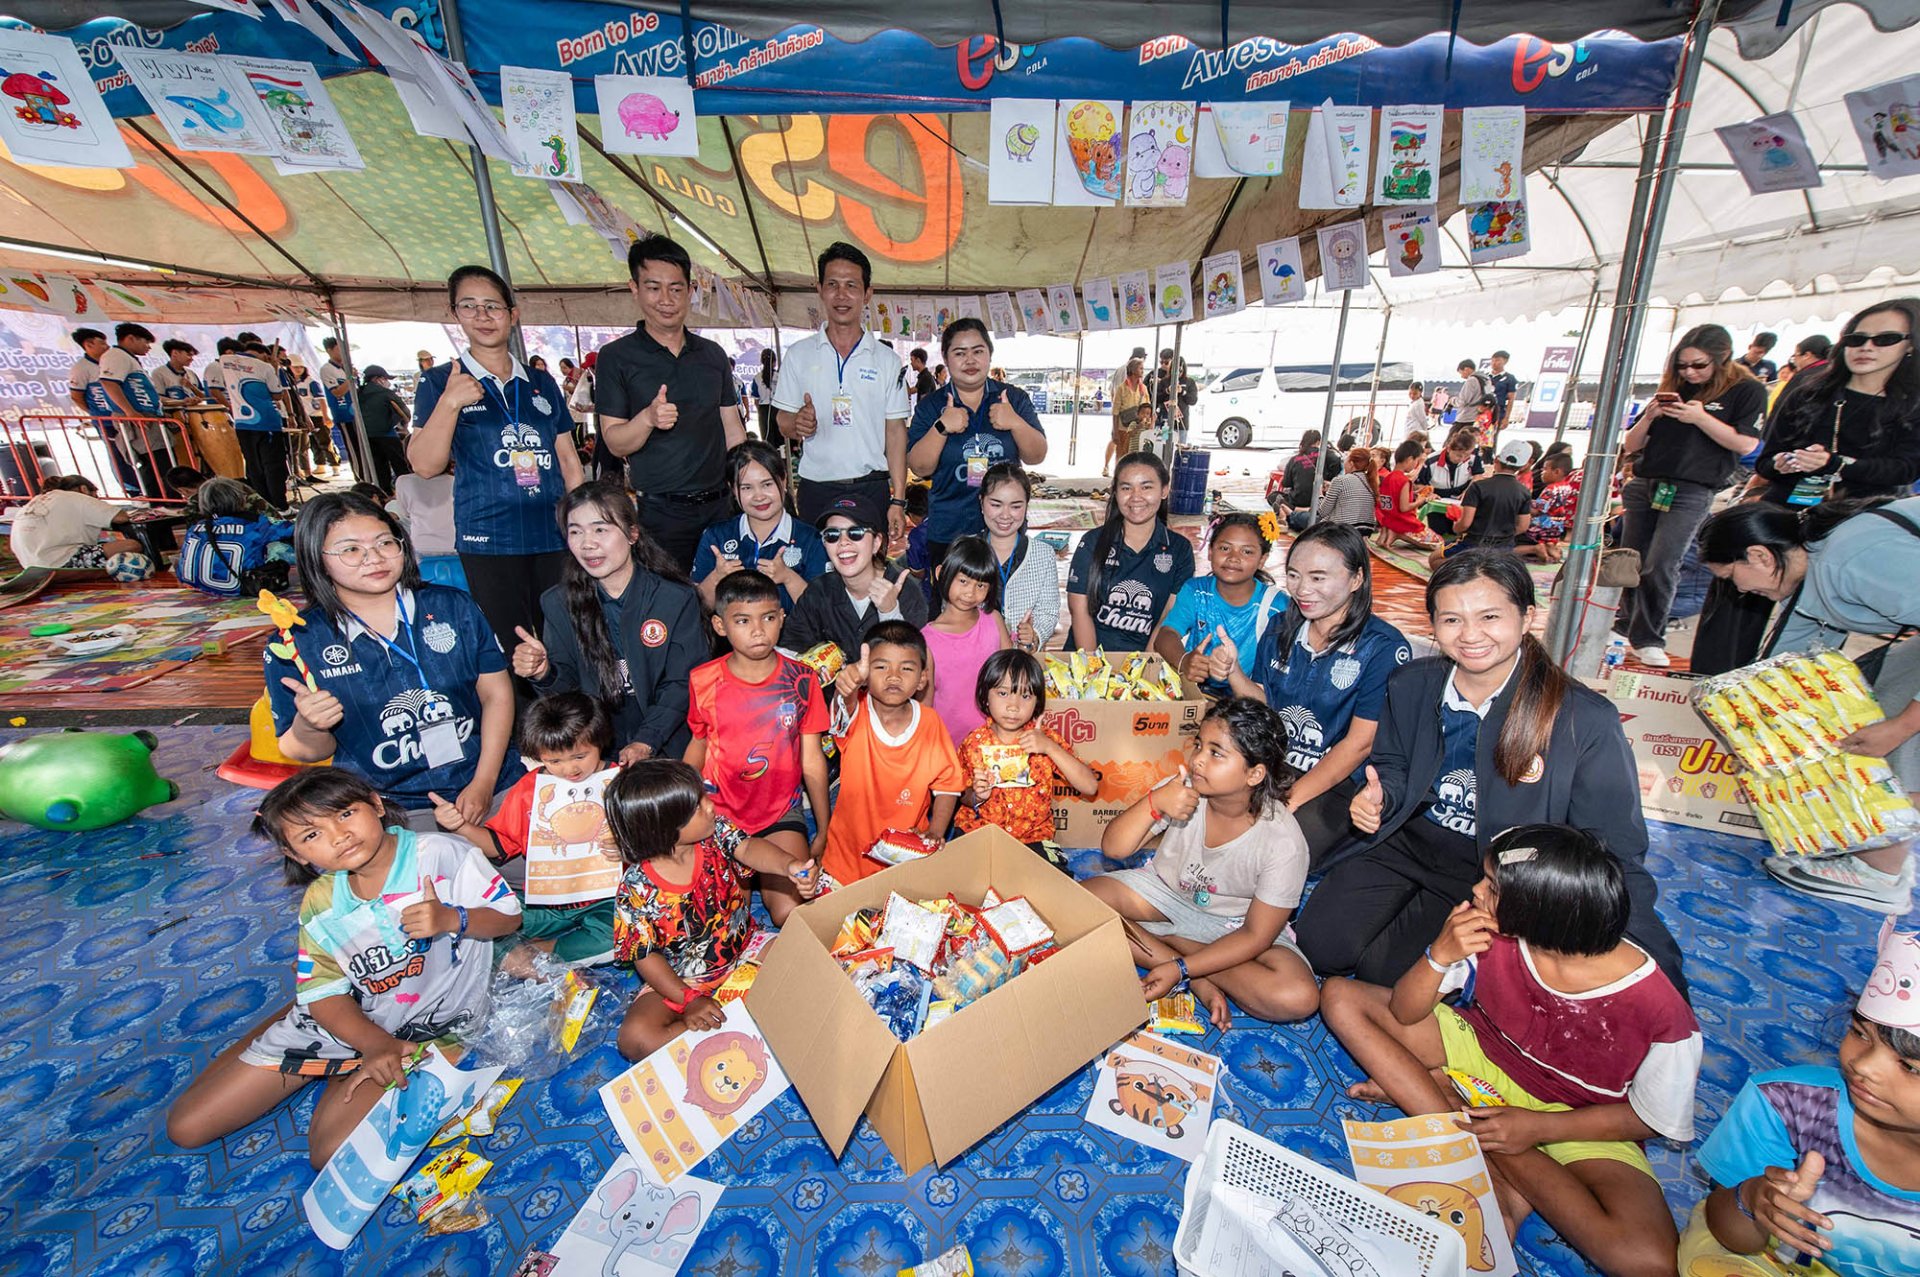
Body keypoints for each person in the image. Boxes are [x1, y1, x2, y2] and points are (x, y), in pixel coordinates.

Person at [1293, 550, 1686, 995]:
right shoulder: (1412, 683)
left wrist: (1658, 971)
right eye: (1451, 619)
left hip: (1487, 876)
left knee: (1385, 976)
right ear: (1433, 624)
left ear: (1527, 617)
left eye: (1490, 617)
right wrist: (1383, 797)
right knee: (1320, 947)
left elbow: (1614, 849)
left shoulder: (1583, 719)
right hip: (1404, 842)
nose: (1470, 635)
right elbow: (1393, 763)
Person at [1322, 823, 1701, 1277]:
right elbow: (1404, 1012)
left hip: (1577, 1115)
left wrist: (1536, 1128)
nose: (1477, 890)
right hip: (1481, 1051)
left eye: (1492, 886)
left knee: (1645, 1259)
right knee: (1341, 997)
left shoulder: (1662, 1011)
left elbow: (1649, 1119)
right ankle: (1475, 1130)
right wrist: (1439, 955)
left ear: (1541, 912)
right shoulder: (1489, 932)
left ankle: (1458, 1113)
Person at [163, 768, 522, 1166]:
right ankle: (297, 1020)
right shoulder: (321, 900)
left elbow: (509, 917)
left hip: (431, 1028)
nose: (339, 835)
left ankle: (335, 1055)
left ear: (376, 804)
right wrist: (371, 1042)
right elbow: (325, 994)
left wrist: (454, 918)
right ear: (296, 855)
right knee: (186, 1127)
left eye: (345, 814)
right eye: (311, 835)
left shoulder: (440, 853)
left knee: (329, 1154)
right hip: (351, 1020)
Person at [1697, 497, 1920, 912]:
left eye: (1731, 577)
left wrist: (1901, 726)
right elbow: (1785, 670)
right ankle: (1873, 846)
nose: (1739, 590)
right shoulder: (1811, 578)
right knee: (1872, 697)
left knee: (1896, 722)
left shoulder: (1850, 560)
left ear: (1760, 556)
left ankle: (1881, 871)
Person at [268, 491, 522, 832]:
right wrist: (310, 725)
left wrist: (484, 783)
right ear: (317, 558)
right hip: (387, 805)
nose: (374, 558)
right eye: (351, 550)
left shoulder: (453, 607)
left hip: (490, 779)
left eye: (385, 543)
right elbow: (304, 750)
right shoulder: (296, 641)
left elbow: (496, 694)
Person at [1683, 920, 1920, 1277]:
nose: (1864, 1066)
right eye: (1860, 1033)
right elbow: (1729, 1234)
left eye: (1909, 1066)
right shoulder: (1786, 1106)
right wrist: (1754, 1199)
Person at [1087, 697, 1320, 1030]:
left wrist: (1181, 966)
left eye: (1216, 753)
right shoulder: (1181, 791)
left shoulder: (1283, 841)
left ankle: (1176, 949)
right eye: (1199, 745)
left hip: (1235, 926)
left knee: (1297, 997)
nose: (1197, 759)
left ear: (1255, 774)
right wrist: (1156, 802)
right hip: (1165, 896)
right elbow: (1113, 848)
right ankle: (1195, 974)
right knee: (1080, 903)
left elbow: (1255, 936)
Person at [1205, 523, 1412, 864]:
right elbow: (1263, 705)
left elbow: (1359, 744)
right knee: (1202, 805)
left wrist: (1290, 798)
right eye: (1294, 575)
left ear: (1357, 579)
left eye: (1318, 578)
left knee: (1278, 851)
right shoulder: (1282, 627)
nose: (1302, 589)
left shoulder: (1382, 648)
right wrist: (1233, 672)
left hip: (1338, 781)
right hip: (1275, 765)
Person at [407, 267, 585, 653]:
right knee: (509, 646)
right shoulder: (441, 382)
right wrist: (451, 402)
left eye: (492, 306)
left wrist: (582, 524)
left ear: (512, 314)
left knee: (565, 640)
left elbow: (568, 459)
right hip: (488, 538)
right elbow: (424, 465)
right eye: (469, 306)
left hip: (551, 533)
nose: (483, 316)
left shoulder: (540, 382)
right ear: (454, 314)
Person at [605, 760, 819, 1059]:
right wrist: (688, 999)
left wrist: (789, 866)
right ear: (664, 829)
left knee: (810, 959)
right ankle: (737, 1016)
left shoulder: (716, 832)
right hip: (681, 978)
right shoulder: (636, 890)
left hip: (745, 948)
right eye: (697, 806)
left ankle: (724, 1023)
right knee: (635, 1039)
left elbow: (748, 848)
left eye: (703, 796)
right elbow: (645, 955)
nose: (709, 806)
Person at [511, 482, 704, 765]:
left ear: (632, 534)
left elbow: (682, 684)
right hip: (596, 749)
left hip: (666, 742)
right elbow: (567, 694)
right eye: (575, 531)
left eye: (600, 529)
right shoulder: (558, 603)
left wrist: (646, 741)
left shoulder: (674, 598)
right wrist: (544, 673)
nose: (587, 543)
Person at [1612, 324, 1768, 667]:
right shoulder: (1673, 388)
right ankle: (1625, 624)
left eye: (1698, 365)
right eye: (1682, 365)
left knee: (1662, 562)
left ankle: (1649, 636)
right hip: (1647, 482)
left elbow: (1746, 444)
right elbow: (1632, 445)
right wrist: (1649, 416)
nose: (1689, 373)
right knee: (1630, 560)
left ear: (1722, 358)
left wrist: (1700, 418)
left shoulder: (1747, 391)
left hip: (1693, 488)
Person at [686, 569, 832, 925]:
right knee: (727, 920)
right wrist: (684, 803)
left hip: (780, 811)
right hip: (721, 814)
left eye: (768, 618)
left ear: (782, 617)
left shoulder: (802, 679)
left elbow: (812, 759)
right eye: (742, 620)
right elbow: (698, 744)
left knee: (790, 913)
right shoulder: (703, 680)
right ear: (720, 625)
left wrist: (824, 827)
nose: (757, 630)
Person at [430, 692, 620, 963]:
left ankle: (543, 951)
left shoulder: (622, 782)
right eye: (554, 761)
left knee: (623, 932)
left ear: (599, 741)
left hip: (607, 899)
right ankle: (540, 953)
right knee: (480, 925)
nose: (569, 769)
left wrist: (627, 849)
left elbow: (655, 846)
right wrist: (460, 826)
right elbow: (498, 845)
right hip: (542, 902)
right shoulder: (530, 789)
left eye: (580, 756)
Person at [594, 237, 747, 571]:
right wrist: (647, 418)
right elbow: (615, 441)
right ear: (634, 289)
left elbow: (732, 429)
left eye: (676, 289)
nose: (666, 299)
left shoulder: (712, 355)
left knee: (726, 593)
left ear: (690, 291)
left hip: (720, 509)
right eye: (653, 288)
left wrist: (747, 484)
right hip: (661, 514)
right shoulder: (616, 357)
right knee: (669, 596)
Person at [772, 243, 911, 532]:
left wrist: (898, 500)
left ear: (867, 294)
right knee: (816, 561)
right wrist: (797, 423)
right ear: (820, 290)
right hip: (816, 489)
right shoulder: (798, 355)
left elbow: (896, 432)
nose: (841, 295)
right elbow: (782, 420)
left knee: (871, 562)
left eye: (851, 285)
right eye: (833, 284)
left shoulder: (887, 360)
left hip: (871, 488)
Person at [822, 620, 965, 885]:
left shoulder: (930, 722)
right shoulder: (855, 713)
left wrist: (935, 831)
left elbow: (947, 786)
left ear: (922, 679)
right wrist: (847, 688)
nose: (893, 676)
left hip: (906, 859)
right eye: (881, 667)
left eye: (906, 668)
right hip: (846, 860)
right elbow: (844, 704)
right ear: (865, 674)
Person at [906, 319, 1047, 565]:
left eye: (978, 351)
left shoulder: (1013, 398)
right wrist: (941, 427)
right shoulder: (931, 406)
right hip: (949, 530)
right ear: (946, 358)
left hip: (1004, 528)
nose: (970, 361)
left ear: (989, 354)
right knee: (950, 591)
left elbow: (1036, 456)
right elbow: (919, 467)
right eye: (960, 353)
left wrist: (1016, 422)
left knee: (1005, 590)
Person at [1754, 300, 1920, 509]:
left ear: (1910, 345)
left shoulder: (1911, 406)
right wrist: (1781, 464)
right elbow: (1765, 462)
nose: (1866, 347)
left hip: (1863, 514)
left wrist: (1837, 464)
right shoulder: (1808, 394)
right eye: (1856, 339)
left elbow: (1905, 470)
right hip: (1786, 511)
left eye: (1886, 339)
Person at [954, 649, 1099, 861]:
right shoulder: (973, 742)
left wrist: (1050, 748)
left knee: (1055, 877)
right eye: (1003, 693)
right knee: (959, 873)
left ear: (1037, 702)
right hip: (979, 832)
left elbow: (1090, 786)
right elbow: (961, 795)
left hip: (1034, 838)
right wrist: (977, 797)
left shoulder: (1045, 739)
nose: (1014, 706)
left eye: (1025, 696)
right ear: (985, 697)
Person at [782, 490, 929, 664]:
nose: (843, 542)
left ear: (876, 542)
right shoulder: (819, 591)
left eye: (856, 533)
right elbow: (790, 650)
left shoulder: (905, 591)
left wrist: (890, 614)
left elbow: (914, 666)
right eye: (832, 535)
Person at [1069, 452, 1195, 652]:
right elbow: (1079, 611)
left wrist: (1145, 666)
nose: (1136, 497)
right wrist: (1093, 666)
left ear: (1164, 490)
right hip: (1088, 657)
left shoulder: (1180, 550)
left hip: (1145, 658)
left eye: (1146, 487)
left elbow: (1168, 617)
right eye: (1126, 488)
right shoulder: (1092, 542)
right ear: (1116, 492)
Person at [1153, 512, 1287, 689]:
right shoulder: (1196, 592)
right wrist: (1184, 661)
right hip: (1199, 691)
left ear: (1262, 559)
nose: (1233, 558)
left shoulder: (1277, 606)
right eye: (1224, 548)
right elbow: (1167, 634)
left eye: (1247, 551)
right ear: (1210, 552)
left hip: (1250, 697)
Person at [692, 440, 827, 612]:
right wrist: (716, 577)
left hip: (794, 630)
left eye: (767, 484)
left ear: (784, 480)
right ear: (733, 490)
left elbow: (823, 612)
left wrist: (788, 578)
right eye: (746, 488)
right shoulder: (715, 537)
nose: (759, 496)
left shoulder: (812, 539)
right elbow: (697, 610)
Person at [924, 536, 1012, 747]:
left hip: (995, 743)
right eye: (963, 581)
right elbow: (925, 705)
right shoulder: (926, 640)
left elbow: (1011, 675)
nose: (970, 593)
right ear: (941, 573)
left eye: (980, 585)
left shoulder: (994, 621)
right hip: (947, 745)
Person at [975, 463, 1058, 653]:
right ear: (981, 502)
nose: (1005, 515)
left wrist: (1034, 636)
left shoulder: (1043, 554)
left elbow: (1048, 611)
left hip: (1022, 658)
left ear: (1027, 505)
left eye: (1016, 506)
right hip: (975, 656)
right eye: (996, 505)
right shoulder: (966, 551)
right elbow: (951, 607)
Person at [6, 475, 151, 577]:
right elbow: (121, 517)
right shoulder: (76, 497)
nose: (97, 499)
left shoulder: (39, 499)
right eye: (95, 494)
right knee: (131, 546)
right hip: (57, 562)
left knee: (105, 545)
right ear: (84, 489)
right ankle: (78, 574)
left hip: (30, 566)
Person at [173, 476, 293, 598]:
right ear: (241, 498)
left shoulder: (195, 528)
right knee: (279, 546)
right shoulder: (256, 525)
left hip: (198, 585)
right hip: (241, 586)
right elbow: (296, 529)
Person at [1428, 437, 1536, 568]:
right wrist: (1502, 536)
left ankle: (1469, 569)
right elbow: (1523, 526)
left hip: (1474, 543)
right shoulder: (1524, 492)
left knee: (1434, 559)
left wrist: (1456, 527)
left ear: (1496, 461)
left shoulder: (1478, 487)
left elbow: (1465, 523)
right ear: (1522, 466)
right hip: (1504, 548)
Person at [219, 340, 293, 508]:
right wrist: (273, 368)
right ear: (263, 354)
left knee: (254, 467)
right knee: (273, 466)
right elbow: (277, 395)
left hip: (243, 424)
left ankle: (263, 506)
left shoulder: (226, 361)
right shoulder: (264, 367)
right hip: (267, 422)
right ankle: (280, 505)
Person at [1266, 430, 1341, 532]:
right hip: (1320, 502)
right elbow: (1337, 461)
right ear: (1318, 441)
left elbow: (1286, 483)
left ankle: (1292, 510)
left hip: (1298, 501)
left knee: (1273, 496)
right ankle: (1298, 511)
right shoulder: (1325, 454)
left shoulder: (1295, 459)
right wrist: (1329, 477)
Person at [1418, 428, 1486, 537]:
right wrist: (1429, 493)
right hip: (1438, 497)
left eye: (1466, 455)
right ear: (1449, 448)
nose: (1462, 459)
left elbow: (1478, 476)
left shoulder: (1473, 457)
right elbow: (1418, 484)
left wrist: (1468, 492)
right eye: (1459, 455)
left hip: (1462, 496)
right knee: (1439, 534)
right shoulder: (1431, 461)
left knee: (1460, 532)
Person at [355, 366, 412, 495]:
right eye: (385, 379)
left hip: (367, 437)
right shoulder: (386, 393)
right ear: (377, 379)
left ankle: (386, 494)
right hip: (388, 435)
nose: (387, 382)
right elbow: (406, 413)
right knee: (400, 466)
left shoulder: (358, 394)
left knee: (379, 468)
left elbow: (352, 412)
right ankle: (407, 493)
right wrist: (402, 425)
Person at [1515, 451, 1578, 563]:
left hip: (1542, 526)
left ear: (1557, 472)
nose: (1541, 473)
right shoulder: (1567, 487)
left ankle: (1536, 548)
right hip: (1557, 527)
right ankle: (1550, 548)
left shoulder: (1551, 489)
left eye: (1544, 469)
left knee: (1511, 543)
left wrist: (1523, 504)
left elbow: (1537, 510)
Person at [1375, 439, 1433, 551]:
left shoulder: (1387, 477)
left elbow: (1393, 498)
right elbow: (1404, 507)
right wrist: (1420, 501)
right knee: (1437, 544)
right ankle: (1398, 534)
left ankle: (1390, 532)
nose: (1416, 464)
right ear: (1410, 459)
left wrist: (1414, 494)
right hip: (1404, 523)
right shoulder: (1403, 480)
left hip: (1388, 520)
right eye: (1416, 461)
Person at [319, 336, 360, 480]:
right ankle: (360, 477)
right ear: (329, 350)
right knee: (354, 449)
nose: (344, 352)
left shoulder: (346, 368)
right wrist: (350, 378)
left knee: (362, 448)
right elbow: (337, 392)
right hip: (344, 415)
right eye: (339, 349)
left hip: (357, 414)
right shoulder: (327, 369)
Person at [1317, 446, 1380, 532]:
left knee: (1307, 518)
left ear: (1351, 463)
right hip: (1366, 529)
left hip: (1343, 530)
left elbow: (1322, 512)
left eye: (1345, 460)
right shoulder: (1371, 481)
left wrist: (1319, 494)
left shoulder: (1340, 480)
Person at [1109, 353, 1151, 472]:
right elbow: (1115, 412)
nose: (1143, 371)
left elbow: (1147, 408)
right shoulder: (1122, 388)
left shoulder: (1143, 388)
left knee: (1135, 458)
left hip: (1139, 429)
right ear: (1133, 370)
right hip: (1123, 429)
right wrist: (1115, 431)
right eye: (1140, 368)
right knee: (1121, 455)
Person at [152, 339, 206, 408]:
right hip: (172, 412)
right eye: (189, 355)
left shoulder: (191, 373)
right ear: (175, 353)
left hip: (195, 412)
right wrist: (182, 402)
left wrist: (192, 387)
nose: (191, 359)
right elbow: (158, 398)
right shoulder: (159, 373)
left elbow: (204, 397)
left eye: (192, 356)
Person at [1485, 349, 1519, 439]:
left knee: (1491, 439)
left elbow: (1511, 399)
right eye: (1492, 360)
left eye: (1497, 360)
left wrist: (1506, 418)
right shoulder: (1485, 377)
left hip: (1497, 413)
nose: (1494, 363)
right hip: (1482, 412)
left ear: (1505, 361)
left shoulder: (1510, 378)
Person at [1451, 359, 1487, 428]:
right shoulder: (1485, 379)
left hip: (1467, 417)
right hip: (1479, 416)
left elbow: (1463, 401)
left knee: (1454, 434)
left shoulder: (1471, 380)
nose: (1462, 376)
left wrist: (1452, 400)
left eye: (1461, 373)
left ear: (1466, 369)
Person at [752, 348, 777, 441]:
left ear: (762, 361)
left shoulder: (757, 378)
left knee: (767, 439)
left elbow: (756, 399)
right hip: (778, 409)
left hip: (764, 410)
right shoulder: (780, 376)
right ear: (775, 362)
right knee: (781, 439)